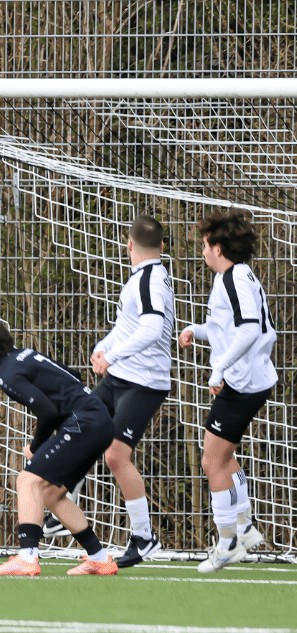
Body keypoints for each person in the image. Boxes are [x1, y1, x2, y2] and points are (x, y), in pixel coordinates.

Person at [0, 316, 118, 576]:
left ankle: (27, 556)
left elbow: (46, 411)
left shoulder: (7, 373)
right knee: (52, 494)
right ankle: (99, 558)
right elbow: (72, 375)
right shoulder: (25, 355)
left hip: (85, 422)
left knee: (27, 481)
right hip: (99, 421)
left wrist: (37, 445)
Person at [178, 208, 275, 574]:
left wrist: (218, 368)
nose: (202, 251)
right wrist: (197, 330)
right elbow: (229, 327)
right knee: (225, 456)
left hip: (242, 383)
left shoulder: (233, 278)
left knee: (210, 460)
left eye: (205, 244)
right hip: (252, 380)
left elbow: (250, 329)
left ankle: (228, 541)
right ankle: (245, 526)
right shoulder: (236, 276)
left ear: (219, 248)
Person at [85, 215, 174, 568]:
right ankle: (57, 507)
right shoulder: (142, 277)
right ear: (162, 247)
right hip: (119, 376)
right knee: (78, 427)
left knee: (115, 457)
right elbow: (127, 326)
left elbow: (152, 329)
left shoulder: (150, 280)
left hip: (144, 382)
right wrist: (104, 346)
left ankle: (144, 537)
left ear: (128, 244)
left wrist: (113, 355)